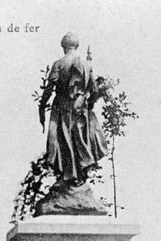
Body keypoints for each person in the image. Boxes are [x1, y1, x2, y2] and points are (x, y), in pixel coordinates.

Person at [39, 32, 108, 184]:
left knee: (63, 142)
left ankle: (67, 177)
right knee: (79, 141)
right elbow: (94, 89)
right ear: (77, 46)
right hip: (80, 107)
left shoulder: (58, 64)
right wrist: (89, 104)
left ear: (63, 47)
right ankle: (77, 178)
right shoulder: (86, 64)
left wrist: (42, 107)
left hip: (62, 108)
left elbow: (49, 89)